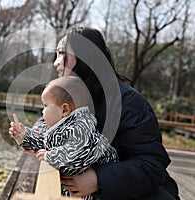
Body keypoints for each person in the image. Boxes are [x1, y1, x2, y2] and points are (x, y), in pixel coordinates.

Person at [46, 27, 180, 200]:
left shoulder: (128, 102)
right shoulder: (67, 97)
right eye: (55, 55)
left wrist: (98, 179)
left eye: (62, 54)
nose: (56, 62)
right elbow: (46, 123)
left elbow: (152, 165)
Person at [9, 76, 118, 200]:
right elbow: (44, 141)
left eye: (45, 106)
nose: (42, 111)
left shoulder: (81, 126)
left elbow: (76, 155)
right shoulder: (60, 126)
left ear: (64, 109)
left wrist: (49, 156)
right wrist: (23, 135)